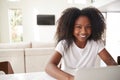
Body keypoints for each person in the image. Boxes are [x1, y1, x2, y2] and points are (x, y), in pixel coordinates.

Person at [45, 7, 118, 80]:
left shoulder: (96, 43)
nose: (83, 31)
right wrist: (72, 78)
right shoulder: (64, 44)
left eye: (88, 27)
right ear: (70, 28)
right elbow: (49, 66)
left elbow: (112, 64)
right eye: (78, 27)